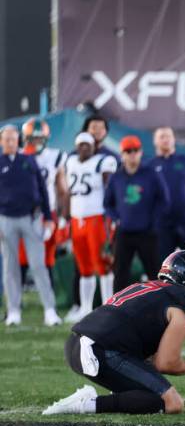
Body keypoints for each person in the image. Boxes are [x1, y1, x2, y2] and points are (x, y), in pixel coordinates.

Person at [41, 250, 185, 415]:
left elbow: (150, 357)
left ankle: (112, 394)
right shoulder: (182, 304)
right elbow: (166, 363)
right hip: (99, 351)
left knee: (150, 397)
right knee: (172, 403)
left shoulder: (149, 289)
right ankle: (86, 404)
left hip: (76, 344)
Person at [0, 124, 60, 326]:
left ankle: (50, 310)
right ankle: (14, 311)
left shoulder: (28, 160)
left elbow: (42, 189)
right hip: (6, 218)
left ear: (18, 140)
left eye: (13, 138)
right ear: (1, 141)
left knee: (38, 264)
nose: (10, 142)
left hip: (32, 217)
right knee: (10, 266)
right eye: (6, 139)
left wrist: (49, 218)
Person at [104, 135, 170, 291]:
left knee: (154, 272)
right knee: (120, 272)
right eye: (128, 151)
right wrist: (116, 218)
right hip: (124, 232)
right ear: (122, 154)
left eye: (135, 150)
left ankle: (160, 308)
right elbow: (107, 203)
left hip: (147, 232)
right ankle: (117, 309)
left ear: (140, 152)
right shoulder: (116, 177)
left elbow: (164, 200)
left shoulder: (151, 174)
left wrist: (153, 220)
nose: (132, 154)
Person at [65, 132, 117, 320]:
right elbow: (66, 192)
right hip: (76, 218)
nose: (84, 148)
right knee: (83, 266)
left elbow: (110, 186)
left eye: (88, 144)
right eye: (81, 144)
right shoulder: (70, 161)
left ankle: (108, 306)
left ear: (94, 146)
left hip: (96, 218)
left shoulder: (103, 161)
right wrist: (64, 218)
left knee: (102, 263)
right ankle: (85, 307)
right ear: (76, 146)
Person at [18, 117, 69, 278]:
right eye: (33, 138)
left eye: (40, 138)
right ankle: (15, 302)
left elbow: (62, 190)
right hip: (20, 214)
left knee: (48, 260)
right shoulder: (15, 156)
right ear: (25, 139)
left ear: (46, 139)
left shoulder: (54, 156)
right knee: (20, 260)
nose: (36, 142)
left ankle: (49, 302)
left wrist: (62, 218)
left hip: (47, 213)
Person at [148, 126, 185, 262]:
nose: (166, 140)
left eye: (168, 136)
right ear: (155, 141)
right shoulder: (149, 165)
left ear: (173, 139)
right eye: (162, 137)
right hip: (161, 224)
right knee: (162, 264)